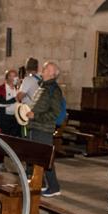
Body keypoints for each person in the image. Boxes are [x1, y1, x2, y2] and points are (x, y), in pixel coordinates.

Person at [24, 61, 63, 197]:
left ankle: (54, 187)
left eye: (46, 68)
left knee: (46, 158)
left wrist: (36, 115)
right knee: (38, 157)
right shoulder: (43, 86)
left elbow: (55, 112)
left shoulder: (54, 89)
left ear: (52, 74)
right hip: (35, 127)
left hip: (44, 128)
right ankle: (42, 183)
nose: (43, 69)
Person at [0, 69, 21, 137]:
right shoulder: (1, 88)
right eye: (11, 76)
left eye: (15, 76)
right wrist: (14, 99)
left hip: (16, 119)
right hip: (5, 119)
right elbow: (0, 103)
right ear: (7, 77)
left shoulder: (18, 88)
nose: (13, 78)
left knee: (16, 140)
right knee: (5, 139)